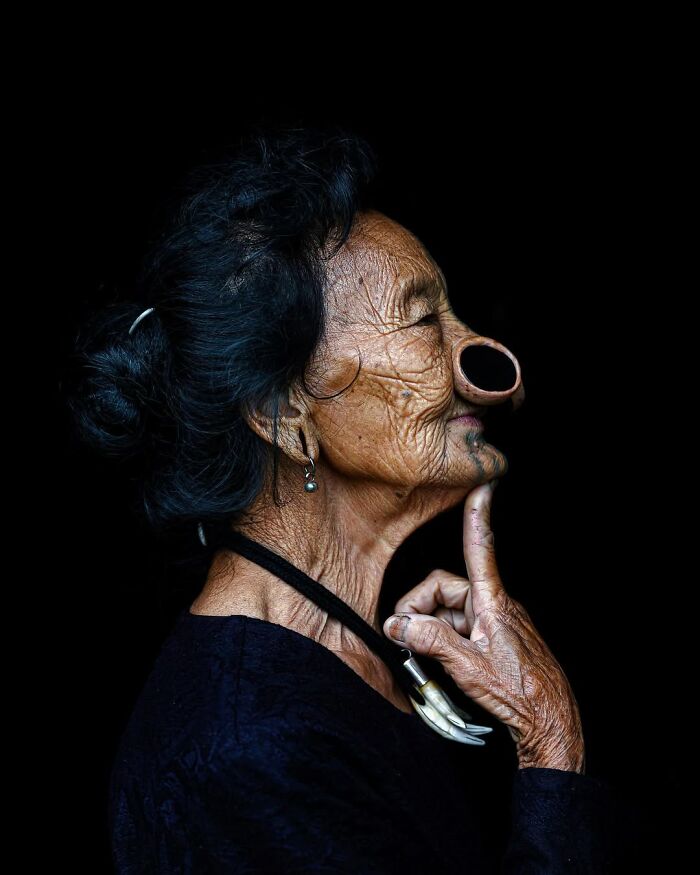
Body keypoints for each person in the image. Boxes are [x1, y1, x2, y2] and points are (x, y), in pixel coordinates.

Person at [66, 124, 622, 872]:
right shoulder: (246, 750)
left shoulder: (348, 649)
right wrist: (551, 740)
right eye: (426, 320)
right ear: (284, 414)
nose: (489, 361)